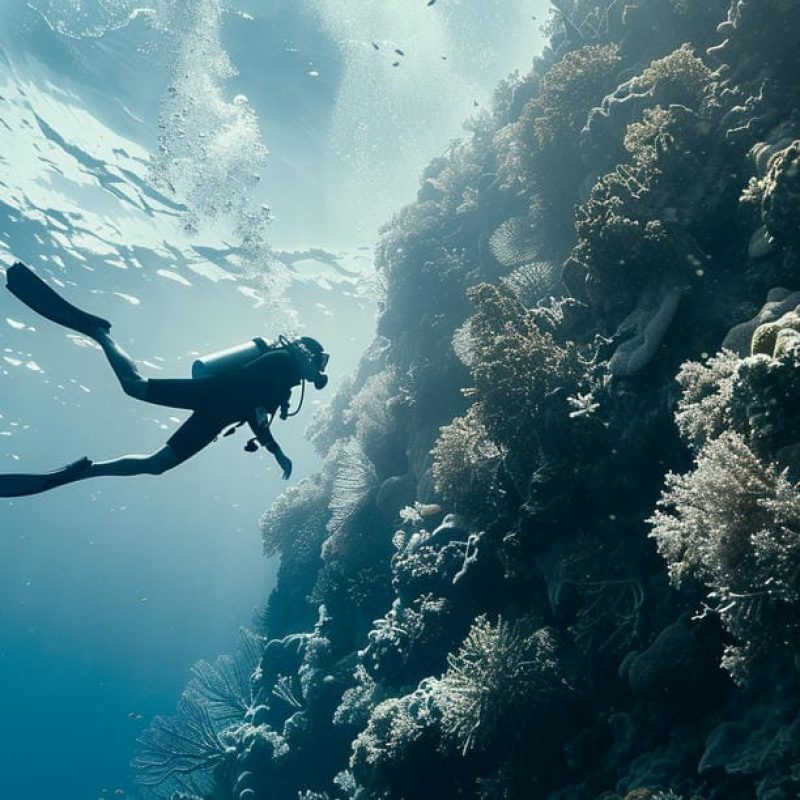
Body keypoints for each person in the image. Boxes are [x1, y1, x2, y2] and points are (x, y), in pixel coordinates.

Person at [0, 262, 329, 497]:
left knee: (157, 464)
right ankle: (100, 332)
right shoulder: (283, 360)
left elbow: (258, 416)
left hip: (216, 417)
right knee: (135, 387)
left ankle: (88, 471)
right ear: (308, 355)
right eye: (319, 363)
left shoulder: (284, 385)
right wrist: (276, 448)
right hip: (213, 394)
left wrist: (275, 449)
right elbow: (252, 399)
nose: (319, 371)